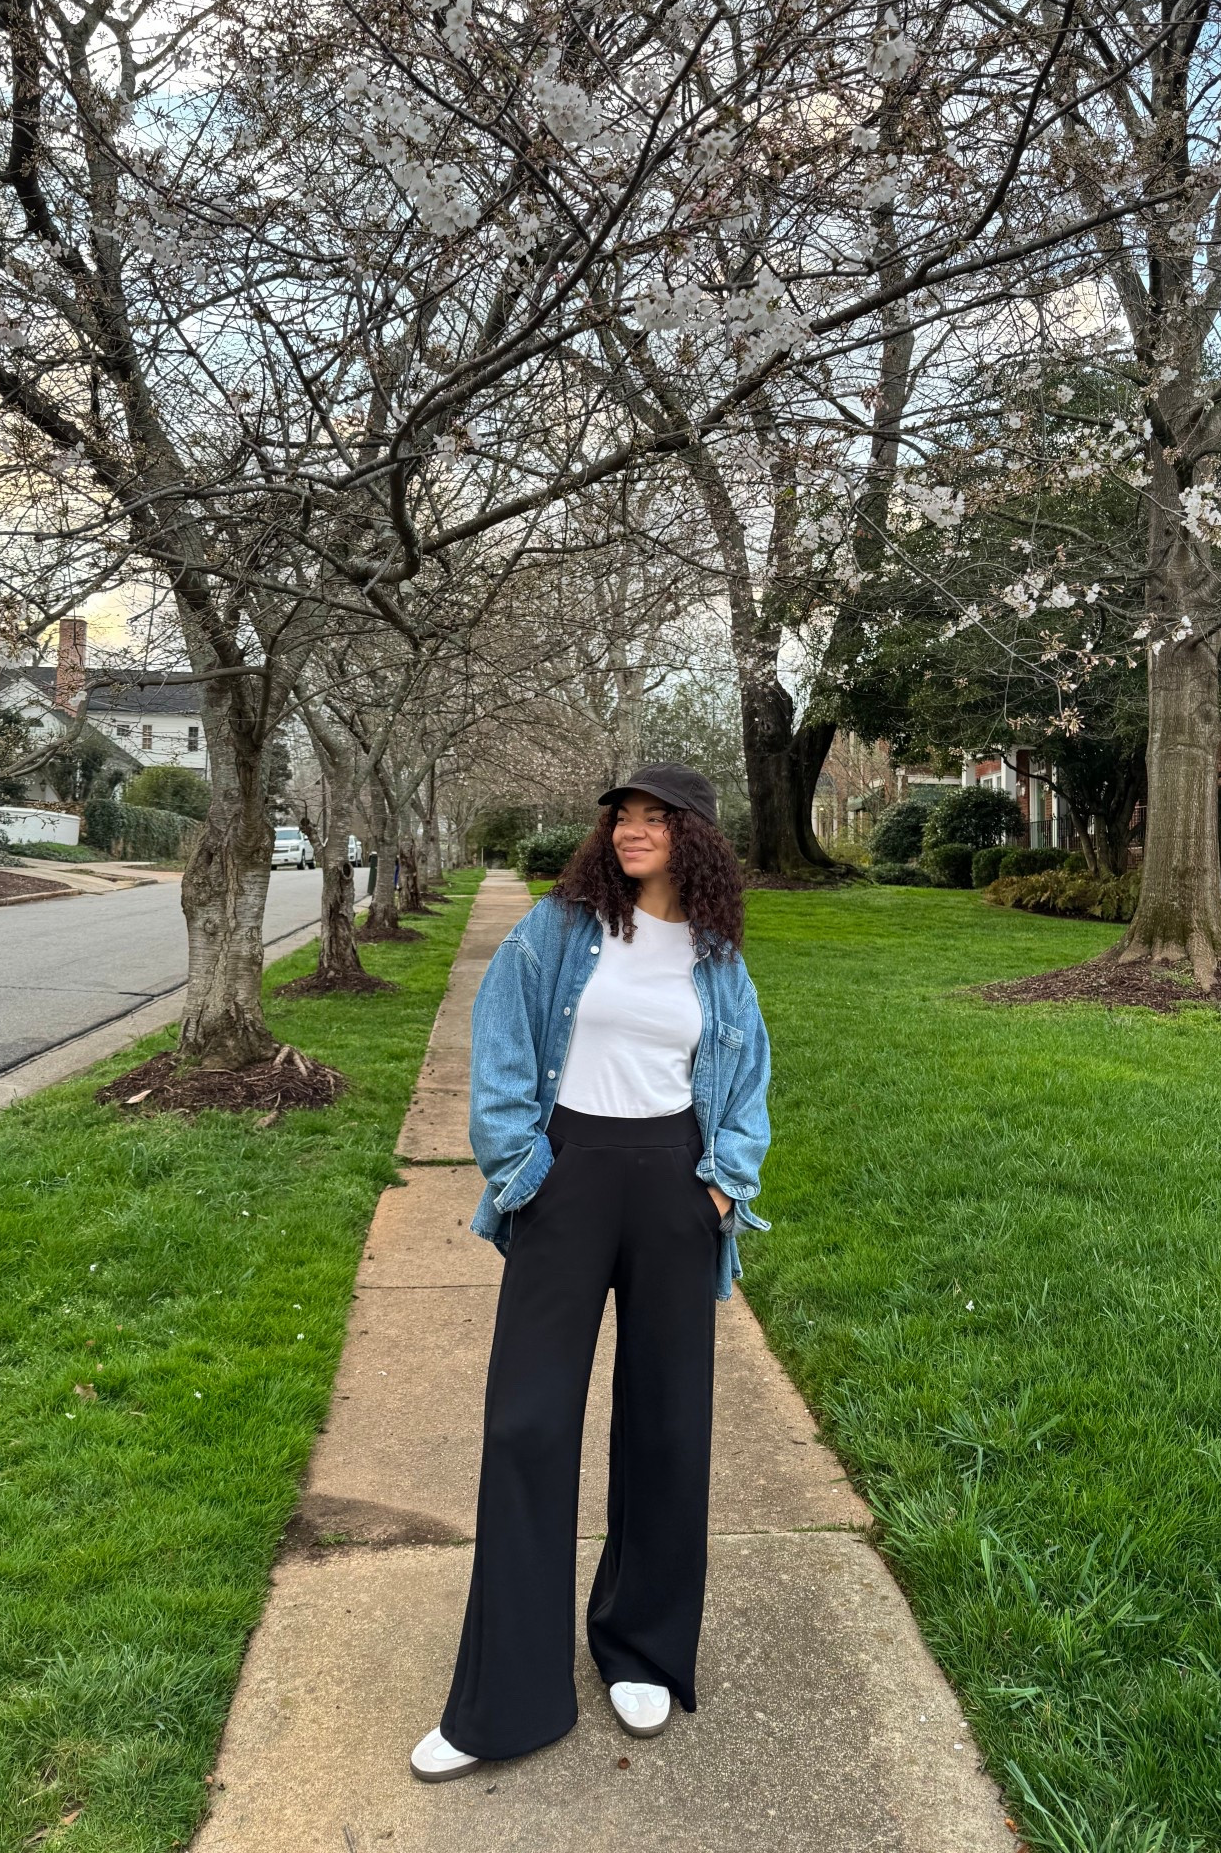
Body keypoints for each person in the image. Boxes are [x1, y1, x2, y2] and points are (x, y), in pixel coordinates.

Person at [411, 761, 772, 1781]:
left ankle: (643, 1646)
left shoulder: (715, 954)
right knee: (527, 1423)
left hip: (673, 1188)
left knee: (666, 1421)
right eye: (624, 815)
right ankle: (505, 1700)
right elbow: (501, 1053)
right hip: (566, 1182)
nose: (634, 831)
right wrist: (525, 1170)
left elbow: (747, 1076)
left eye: (659, 819)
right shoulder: (556, 928)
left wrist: (721, 1185)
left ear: (695, 837)